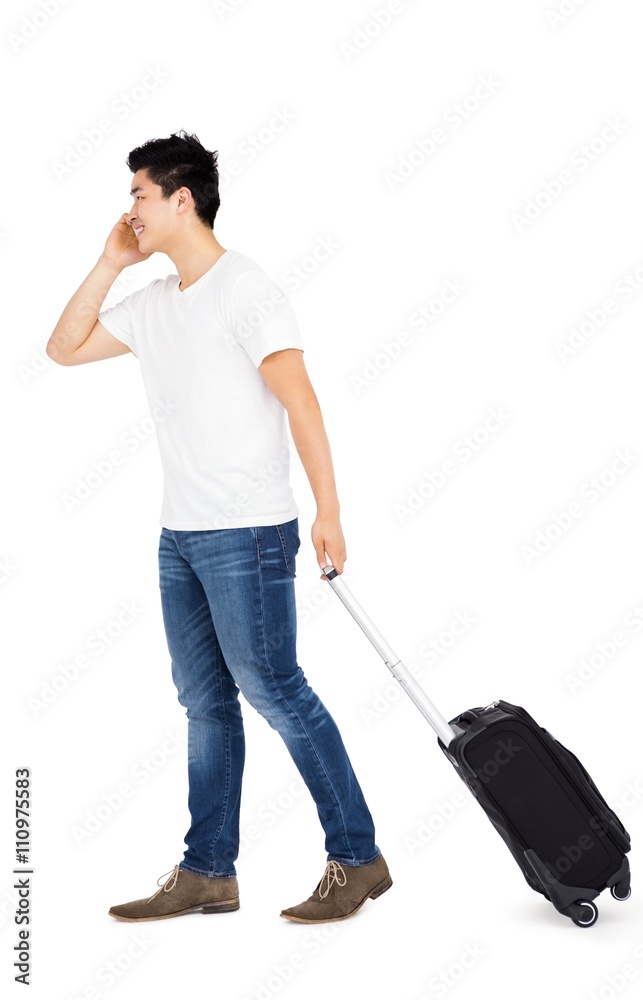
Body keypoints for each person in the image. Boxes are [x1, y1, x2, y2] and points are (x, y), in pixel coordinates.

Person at [46, 130, 391, 924]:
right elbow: (62, 350)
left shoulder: (247, 289)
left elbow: (301, 401)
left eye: (138, 194)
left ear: (181, 199)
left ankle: (357, 857)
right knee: (204, 701)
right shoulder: (153, 304)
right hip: (180, 537)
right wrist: (108, 263)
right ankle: (208, 871)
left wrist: (329, 510)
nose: (129, 209)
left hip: (249, 534)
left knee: (276, 690)